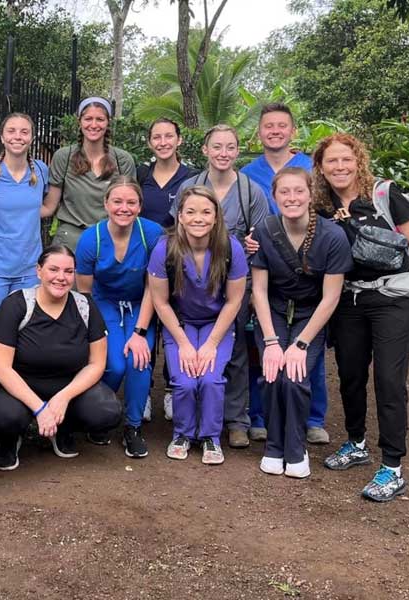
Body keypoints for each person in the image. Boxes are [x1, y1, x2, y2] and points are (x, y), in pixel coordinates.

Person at [314, 133, 409, 502]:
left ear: (358, 160)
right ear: (321, 167)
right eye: (331, 161)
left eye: (345, 159)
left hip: (394, 297)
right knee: (349, 374)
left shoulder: (384, 195)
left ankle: (393, 466)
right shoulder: (322, 205)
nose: (339, 167)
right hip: (349, 299)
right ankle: (356, 442)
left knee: (388, 380)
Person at [250, 167, 351, 479]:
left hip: (312, 315)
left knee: (295, 377)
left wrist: (301, 344)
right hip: (274, 312)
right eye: (284, 192)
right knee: (271, 374)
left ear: (310, 195)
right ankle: (273, 445)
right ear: (274, 195)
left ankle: (295, 448)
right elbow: (259, 290)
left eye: (298, 191)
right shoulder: (265, 230)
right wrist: (270, 341)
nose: (291, 198)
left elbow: (331, 297)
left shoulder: (332, 236)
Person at [0, 245, 121, 470]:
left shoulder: (85, 305)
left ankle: (63, 428)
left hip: (66, 384)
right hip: (17, 385)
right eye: (53, 269)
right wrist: (39, 408)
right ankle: (10, 440)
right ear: (39, 271)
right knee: (5, 417)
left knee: (107, 412)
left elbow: (97, 364)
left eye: (68, 271)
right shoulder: (17, 304)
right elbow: (0, 367)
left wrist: (63, 397)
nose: (61, 277)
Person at [242, 103, 330, 446]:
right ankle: (260, 415)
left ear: (293, 130)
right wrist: (247, 242)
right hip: (266, 269)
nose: (275, 131)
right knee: (262, 345)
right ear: (260, 132)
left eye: (282, 126)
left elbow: (323, 215)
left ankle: (313, 417)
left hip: (308, 269)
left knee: (310, 347)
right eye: (268, 126)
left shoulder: (310, 167)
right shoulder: (248, 173)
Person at [176, 124, 269, 450]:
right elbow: (175, 233)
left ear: (238, 150)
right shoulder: (190, 186)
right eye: (217, 147)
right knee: (192, 347)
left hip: (235, 283)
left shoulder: (250, 191)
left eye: (230, 147)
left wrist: (256, 288)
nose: (223, 153)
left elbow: (261, 239)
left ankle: (236, 421)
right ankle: (196, 415)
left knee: (236, 351)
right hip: (193, 282)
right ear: (205, 150)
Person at [149, 186, 247, 465]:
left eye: (206, 212)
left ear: (216, 217)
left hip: (217, 324)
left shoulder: (230, 248)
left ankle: (210, 437)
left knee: (211, 378)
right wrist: (183, 343)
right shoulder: (164, 249)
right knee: (184, 380)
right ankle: (182, 433)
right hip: (180, 323)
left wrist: (210, 345)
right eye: (190, 211)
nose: (198, 218)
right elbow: (160, 301)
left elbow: (234, 300)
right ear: (179, 216)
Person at [75, 177, 163, 457]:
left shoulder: (152, 234)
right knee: (113, 363)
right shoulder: (92, 238)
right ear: (106, 204)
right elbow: (85, 292)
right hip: (104, 304)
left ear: (140, 206)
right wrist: (99, 328)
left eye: (131, 202)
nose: (124, 208)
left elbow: (155, 287)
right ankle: (99, 415)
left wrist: (139, 333)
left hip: (142, 302)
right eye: (117, 201)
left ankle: (132, 426)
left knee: (138, 360)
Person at [0, 113, 49, 381]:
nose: (18, 136)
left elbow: (46, 205)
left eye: (24, 131)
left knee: (23, 335)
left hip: (28, 268)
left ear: (31, 137)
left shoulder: (40, 170)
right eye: (12, 131)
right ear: (2, 136)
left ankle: (15, 401)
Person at [137, 117, 197, 422]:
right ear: (150, 143)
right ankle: (142, 392)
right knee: (146, 325)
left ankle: (173, 390)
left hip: (180, 262)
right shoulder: (140, 175)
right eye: (156, 137)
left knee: (176, 325)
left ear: (179, 140)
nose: (163, 142)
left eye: (168, 136)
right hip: (143, 263)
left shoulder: (192, 179)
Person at [41, 97, 136, 250]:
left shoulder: (122, 160)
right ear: (80, 121)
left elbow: (130, 206)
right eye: (88, 119)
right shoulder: (63, 157)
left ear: (108, 122)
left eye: (100, 119)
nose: (93, 125)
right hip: (70, 242)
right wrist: (3, 209)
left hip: (109, 241)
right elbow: (49, 206)